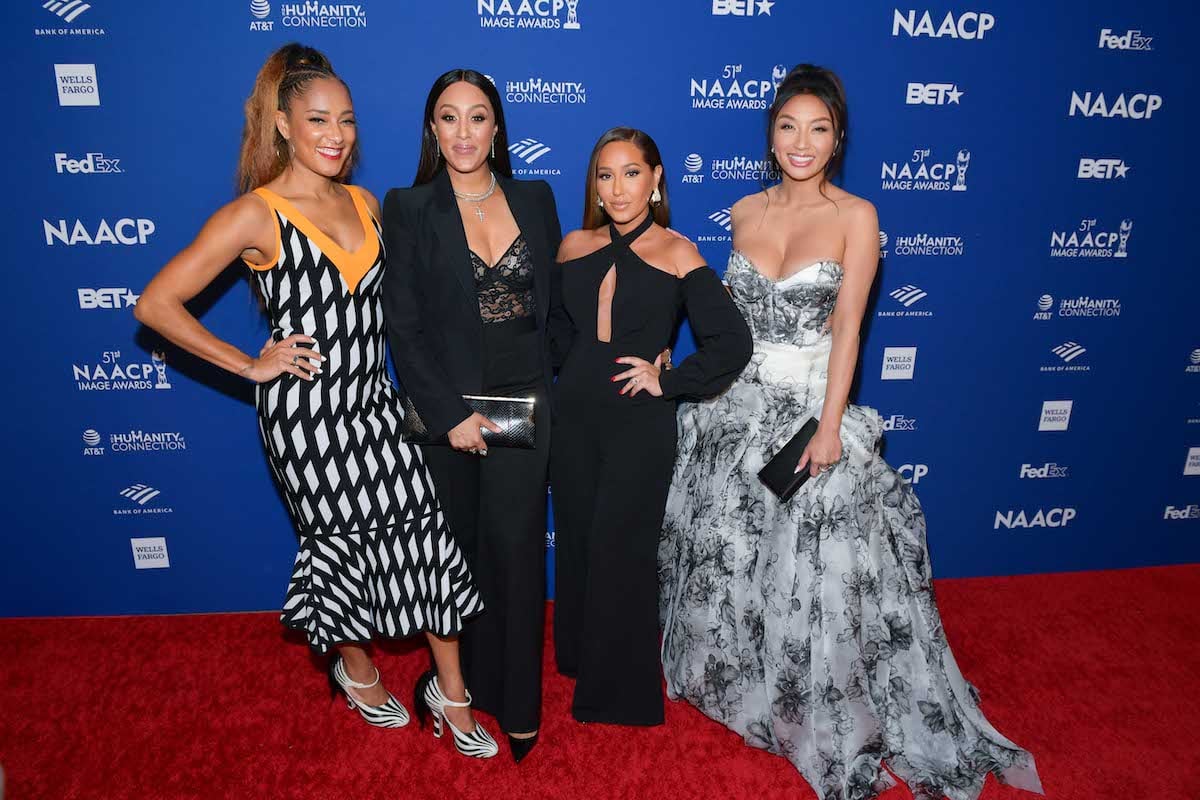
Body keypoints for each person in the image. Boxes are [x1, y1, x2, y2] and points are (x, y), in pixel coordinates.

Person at [657, 65, 1043, 798]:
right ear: (769, 135)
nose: (803, 142)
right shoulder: (741, 211)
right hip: (736, 405)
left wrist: (829, 427)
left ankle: (819, 692)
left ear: (837, 140)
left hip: (811, 405)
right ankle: (739, 671)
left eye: (820, 128)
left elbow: (847, 330)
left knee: (821, 543)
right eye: (788, 126)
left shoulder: (856, 216)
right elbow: (723, 326)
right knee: (728, 548)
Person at [134, 44, 496, 758]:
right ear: (282, 125)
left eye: (348, 121)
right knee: (340, 552)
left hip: (376, 407)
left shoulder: (364, 202)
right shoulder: (254, 215)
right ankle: (357, 669)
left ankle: (449, 692)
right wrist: (248, 363)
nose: (336, 135)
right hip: (308, 421)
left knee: (426, 538)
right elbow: (155, 303)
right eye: (319, 120)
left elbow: (410, 306)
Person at [381, 69, 562, 763]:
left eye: (477, 117)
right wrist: (449, 413)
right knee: (456, 556)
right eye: (449, 118)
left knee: (517, 556)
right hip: (447, 417)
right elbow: (406, 327)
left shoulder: (535, 197)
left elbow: (560, 311)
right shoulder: (408, 206)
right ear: (432, 129)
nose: (463, 132)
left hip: (525, 407)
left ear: (497, 128)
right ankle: (457, 687)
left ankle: (517, 703)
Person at [552, 128, 753, 726]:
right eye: (605, 175)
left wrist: (668, 380)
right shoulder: (572, 245)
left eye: (631, 173)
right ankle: (580, 658)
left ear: (657, 179)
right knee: (582, 544)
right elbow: (557, 335)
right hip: (577, 416)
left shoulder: (678, 252)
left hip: (639, 423)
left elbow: (731, 342)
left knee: (621, 549)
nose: (618, 188)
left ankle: (617, 694)